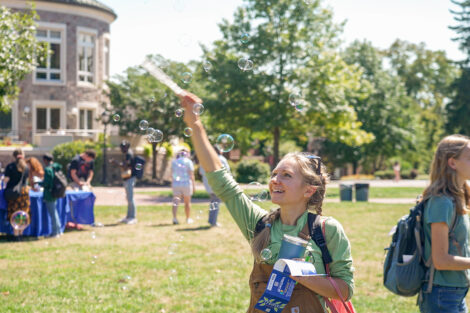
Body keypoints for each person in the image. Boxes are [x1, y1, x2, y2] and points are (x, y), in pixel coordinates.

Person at [179, 91, 354, 312]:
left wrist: (299, 275)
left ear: (309, 189)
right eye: (274, 174)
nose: (275, 180)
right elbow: (222, 181)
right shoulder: (260, 224)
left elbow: (345, 288)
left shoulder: (327, 230)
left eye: (286, 175)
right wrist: (194, 123)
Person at [419, 134, 470, 313]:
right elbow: (440, 260)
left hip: (455, 292)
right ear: (452, 163)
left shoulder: (458, 198)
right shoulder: (441, 202)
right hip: (441, 295)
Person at [199, 146, 231, 227]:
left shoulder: (205, 159)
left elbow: (201, 172)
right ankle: (213, 222)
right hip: (218, 184)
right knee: (215, 202)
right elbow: (227, 171)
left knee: (213, 202)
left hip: (209, 185)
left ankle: (211, 220)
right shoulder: (221, 159)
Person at [3, 149, 30, 237]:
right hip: (24, 192)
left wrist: (3, 179)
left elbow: (6, 180)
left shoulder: (10, 166)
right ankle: (21, 234)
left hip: (13, 192)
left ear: (14, 156)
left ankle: (15, 234)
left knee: (14, 213)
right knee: (22, 213)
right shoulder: (26, 167)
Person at [67, 149, 95, 229]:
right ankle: (73, 221)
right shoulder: (76, 160)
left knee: (86, 201)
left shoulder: (91, 162)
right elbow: (73, 173)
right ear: (86, 155)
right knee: (75, 202)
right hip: (75, 182)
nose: (89, 161)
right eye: (89, 159)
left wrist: (88, 182)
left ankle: (84, 220)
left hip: (85, 182)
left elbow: (91, 172)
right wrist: (79, 183)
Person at [171, 147, 196, 224]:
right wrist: (194, 185)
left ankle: (174, 218)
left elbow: (172, 174)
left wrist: (172, 183)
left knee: (175, 202)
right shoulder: (189, 162)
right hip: (186, 184)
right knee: (187, 202)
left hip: (176, 184)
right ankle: (188, 218)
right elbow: (191, 175)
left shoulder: (174, 162)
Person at [41, 153, 63, 237]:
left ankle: (55, 232)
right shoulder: (56, 167)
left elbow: (47, 183)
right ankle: (58, 230)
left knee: (53, 214)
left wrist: (39, 183)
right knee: (55, 213)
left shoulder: (48, 169)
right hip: (56, 192)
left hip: (49, 194)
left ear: (45, 160)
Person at [118, 140, 137, 224]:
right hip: (127, 178)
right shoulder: (127, 154)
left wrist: (116, 163)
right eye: (121, 147)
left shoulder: (129, 154)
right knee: (128, 197)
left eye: (123, 147)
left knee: (130, 197)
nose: (121, 148)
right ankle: (128, 216)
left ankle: (132, 217)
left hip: (130, 178)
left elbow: (126, 166)